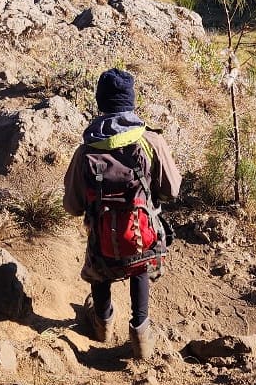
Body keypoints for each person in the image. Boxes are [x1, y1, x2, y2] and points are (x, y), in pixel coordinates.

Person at [63, 69, 181, 359]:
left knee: (98, 266)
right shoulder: (150, 142)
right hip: (142, 238)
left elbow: (73, 205)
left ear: (100, 102)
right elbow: (172, 190)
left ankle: (102, 322)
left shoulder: (85, 152)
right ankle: (141, 333)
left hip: (102, 242)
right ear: (131, 101)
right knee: (140, 263)